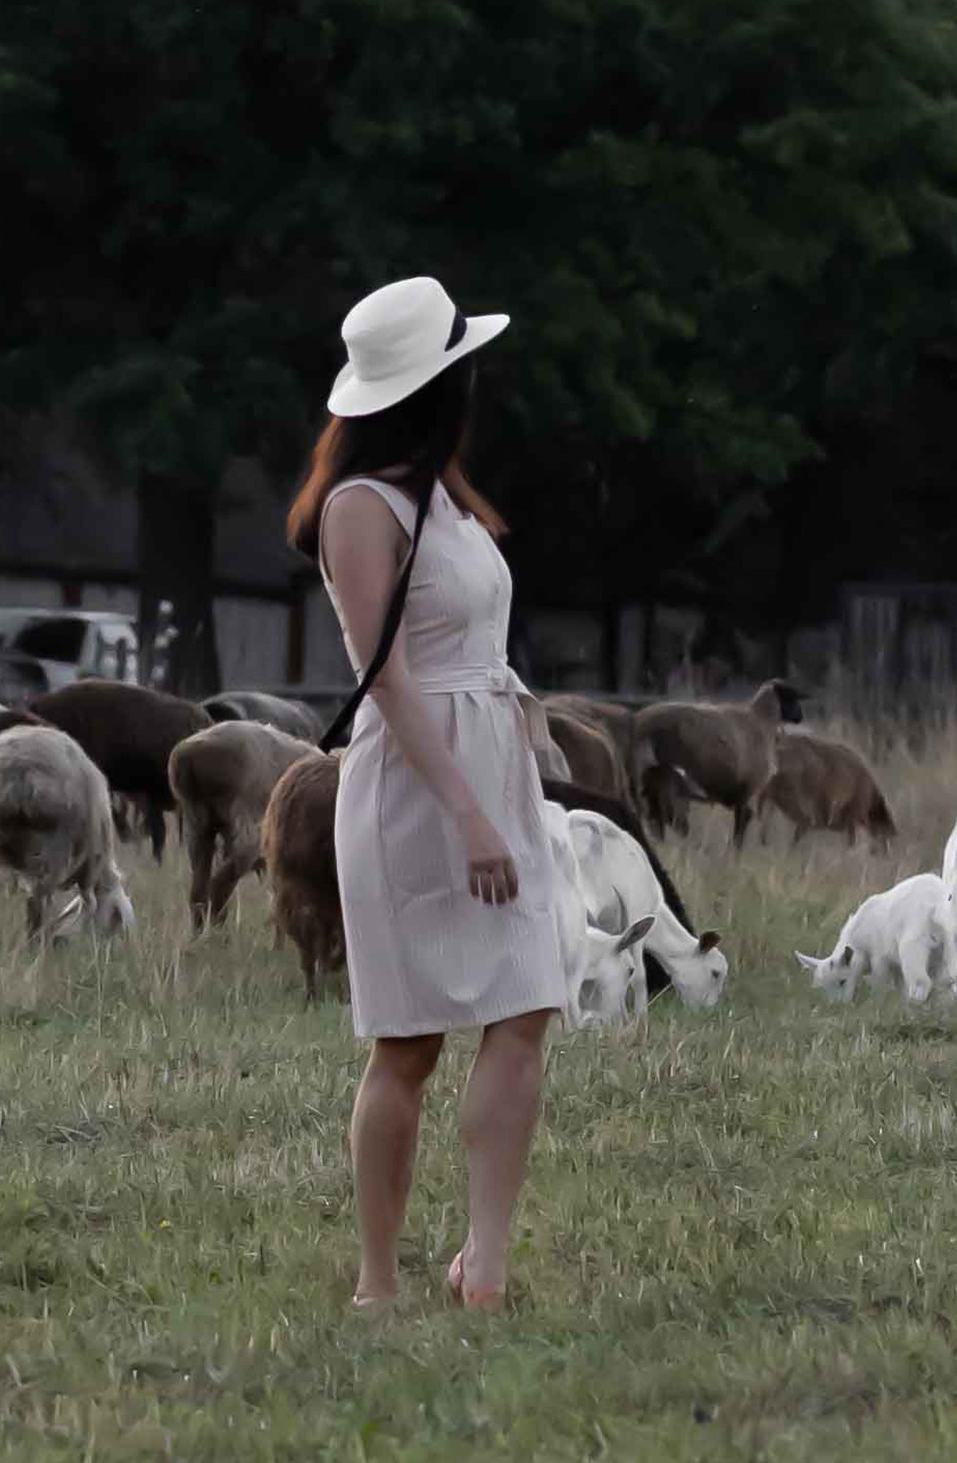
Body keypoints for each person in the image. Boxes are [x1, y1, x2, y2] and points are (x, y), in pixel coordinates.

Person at [287, 276, 564, 1311]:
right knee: (406, 1044)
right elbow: (388, 676)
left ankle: (484, 1271)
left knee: (524, 1007)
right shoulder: (360, 508)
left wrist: (511, 786)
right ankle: (376, 1284)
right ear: (439, 383)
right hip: (417, 785)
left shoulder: (443, 496)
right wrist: (466, 814)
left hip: (490, 760)